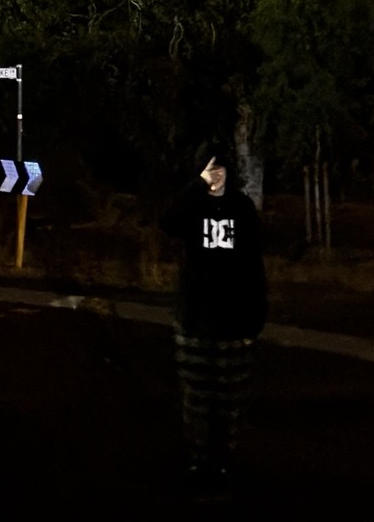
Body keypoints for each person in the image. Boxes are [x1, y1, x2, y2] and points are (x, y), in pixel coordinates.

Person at [162, 143, 267, 490]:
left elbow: (254, 264)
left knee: (229, 401)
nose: (215, 172)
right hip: (195, 317)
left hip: (235, 319)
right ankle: (198, 463)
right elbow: (168, 222)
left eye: (220, 167)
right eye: (209, 167)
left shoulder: (241, 207)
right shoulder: (192, 205)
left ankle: (224, 464)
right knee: (197, 399)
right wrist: (196, 186)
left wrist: (256, 317)